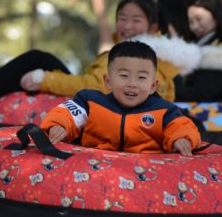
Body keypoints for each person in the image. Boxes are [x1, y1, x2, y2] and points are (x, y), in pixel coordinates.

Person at [0, 0, 200, 136]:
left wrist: (45, 79)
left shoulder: (147, 57)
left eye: (136, 20)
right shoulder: (129, 50)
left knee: (36, 61)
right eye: (122, 18)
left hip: (109, 111)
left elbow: (97, 87)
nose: (127, 26)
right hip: (100, 103)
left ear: (153, 27)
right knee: (40, 59)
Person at [42, 41, 201, 156]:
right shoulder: (90, 101)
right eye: (124, 76)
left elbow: (180, 126)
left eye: (141, 78)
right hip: (94, 169)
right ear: (108, 81)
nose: (132, 84)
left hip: (144, 174)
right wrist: (59, 125)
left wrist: (182, 139)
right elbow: (68, 113)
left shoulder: (164, 110)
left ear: (153, 86)